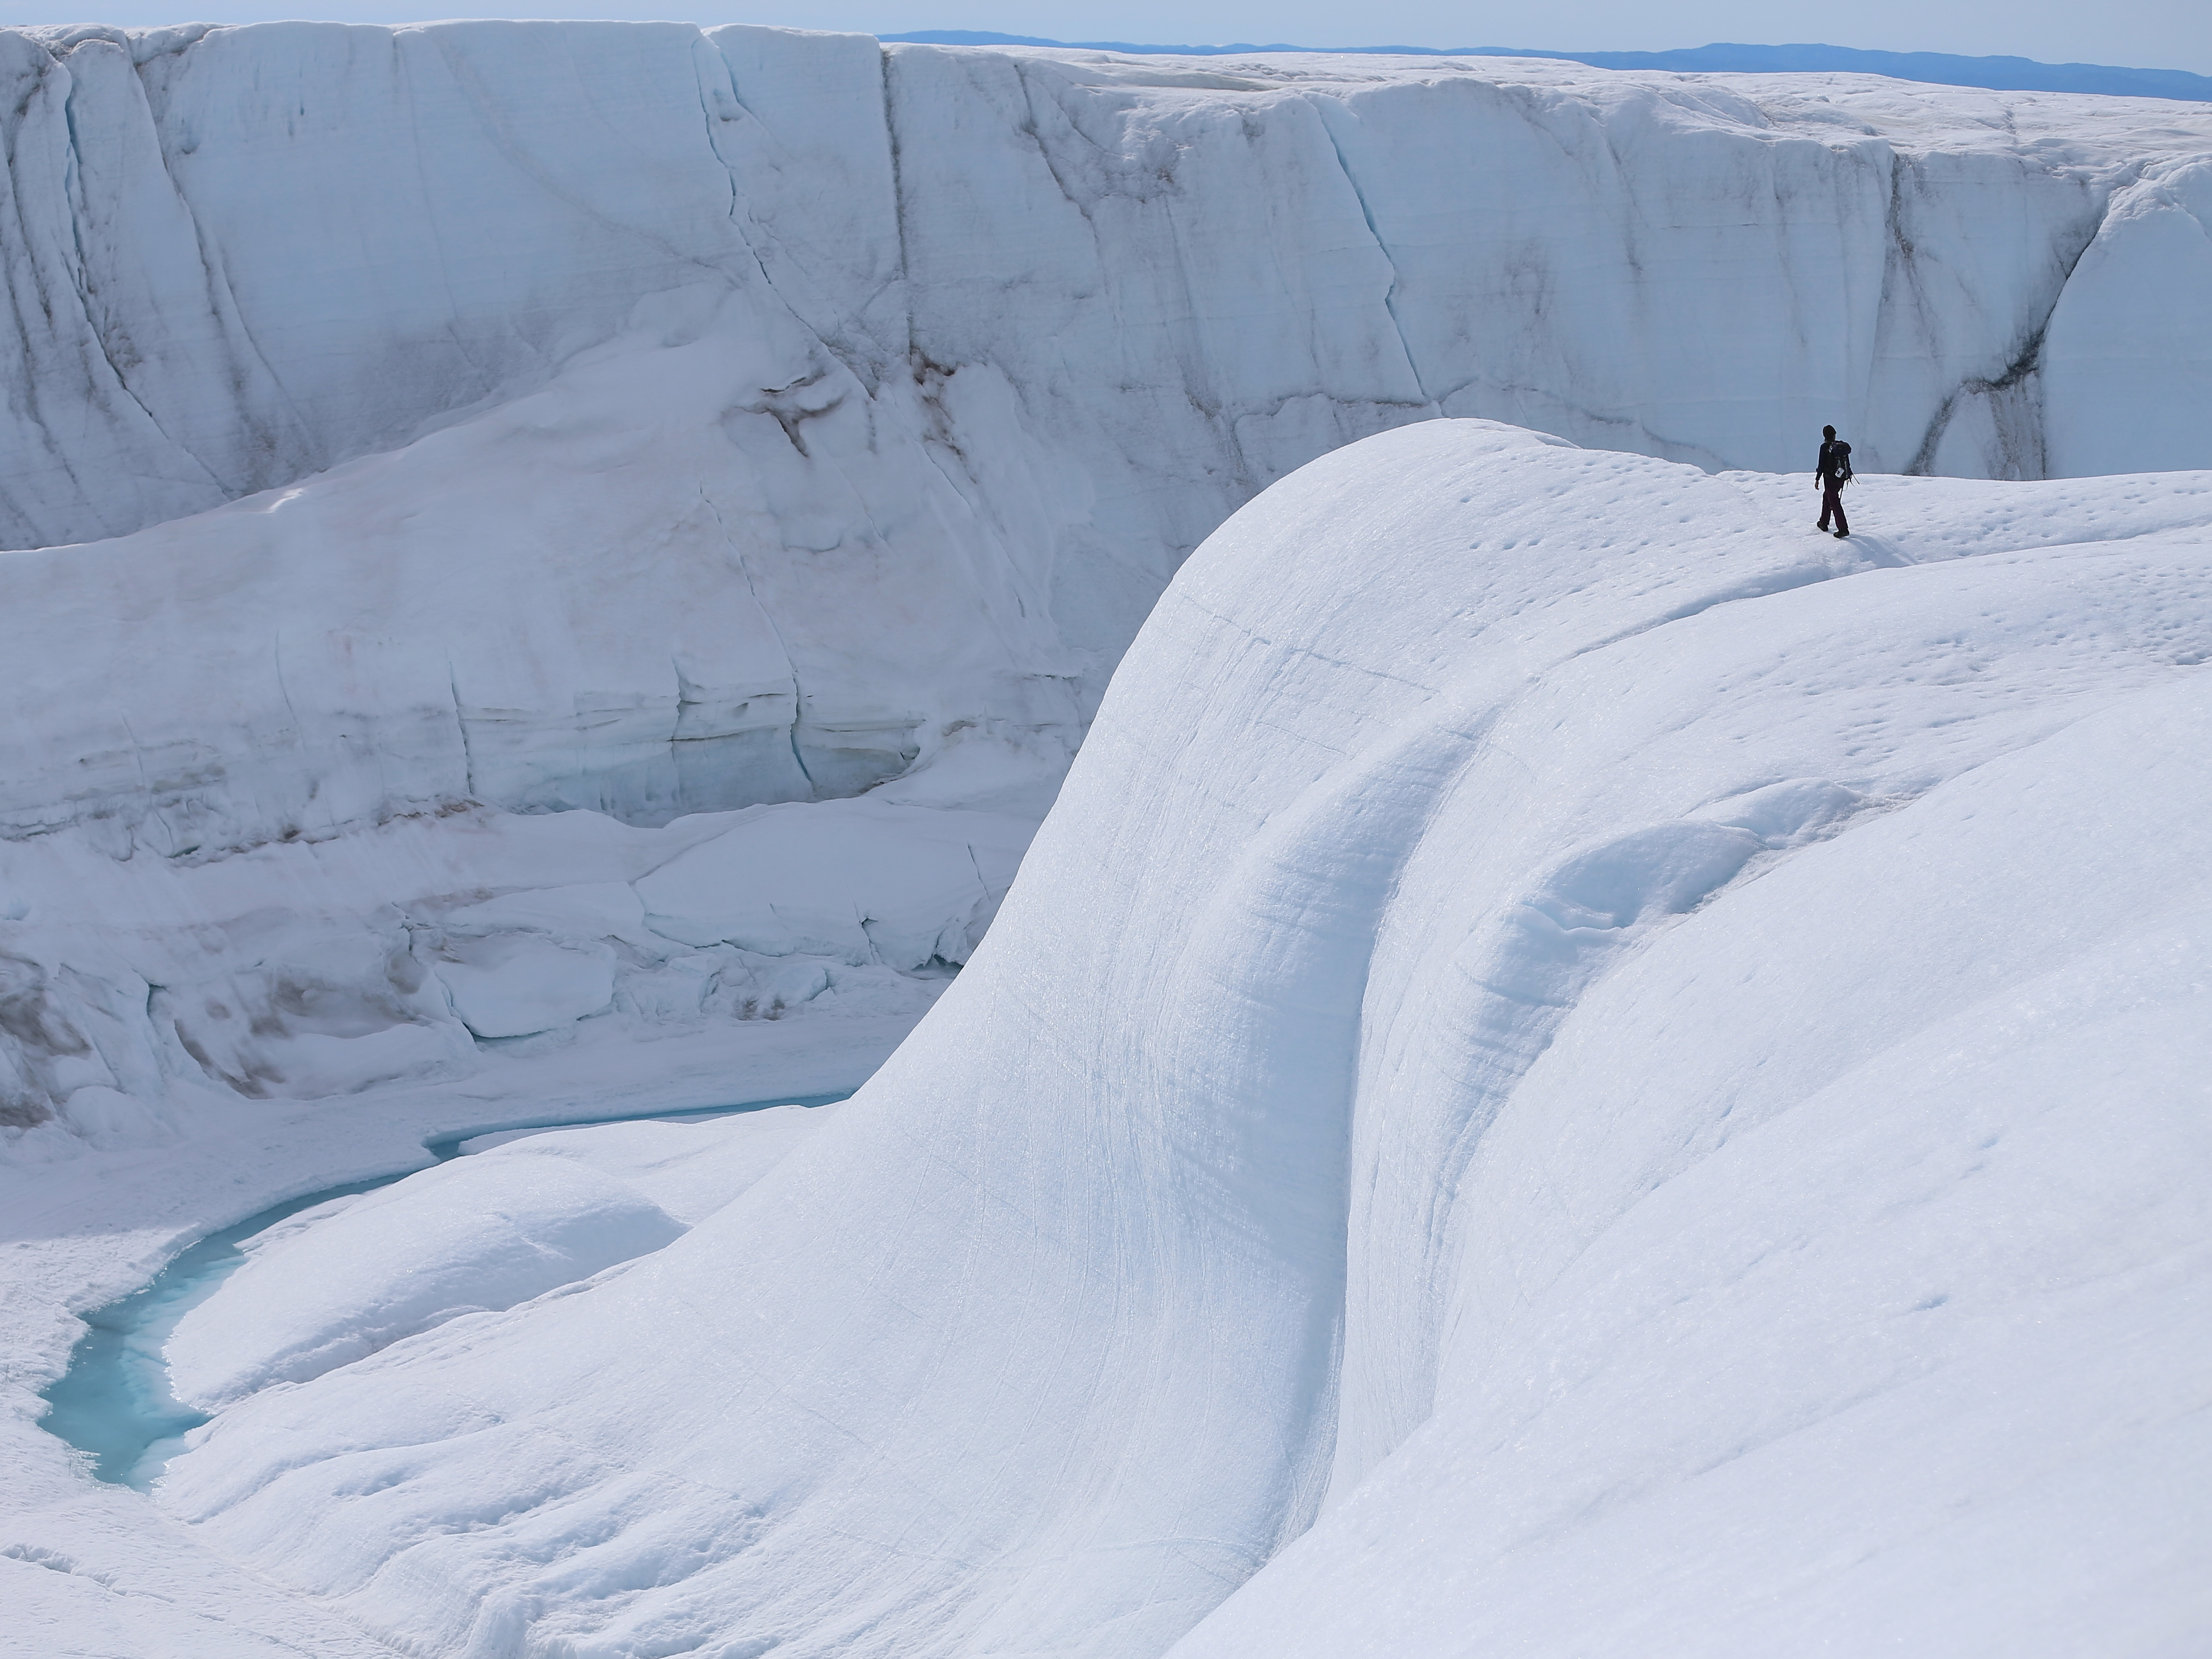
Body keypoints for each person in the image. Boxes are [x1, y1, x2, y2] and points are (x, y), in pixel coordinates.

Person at [1816, 424, 1852, 538]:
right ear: (1834, 434)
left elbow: (1821, 465)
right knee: (1827, 497)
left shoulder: (1825, 447)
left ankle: (1843, 529)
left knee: (1835, 503)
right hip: (1841, 479)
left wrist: (1817, 479)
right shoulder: (1840, 448)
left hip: (1830, 479)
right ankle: (1823, 523)